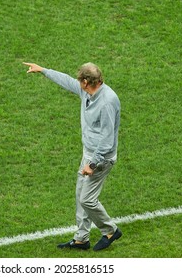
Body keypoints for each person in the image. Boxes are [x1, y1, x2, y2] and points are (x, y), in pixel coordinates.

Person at [23, 62, 122, 251]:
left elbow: (107, 139)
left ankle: (110, 230)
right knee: (80, 195)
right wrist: (44, 70)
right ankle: (81, 239)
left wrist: (92, 164)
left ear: (86, 81)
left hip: (101, 158)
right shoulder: (88, 91)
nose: (78, 84)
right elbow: (67, 81)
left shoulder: (108, 101)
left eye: (80, 81)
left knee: (87, 199)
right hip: (89, 153)